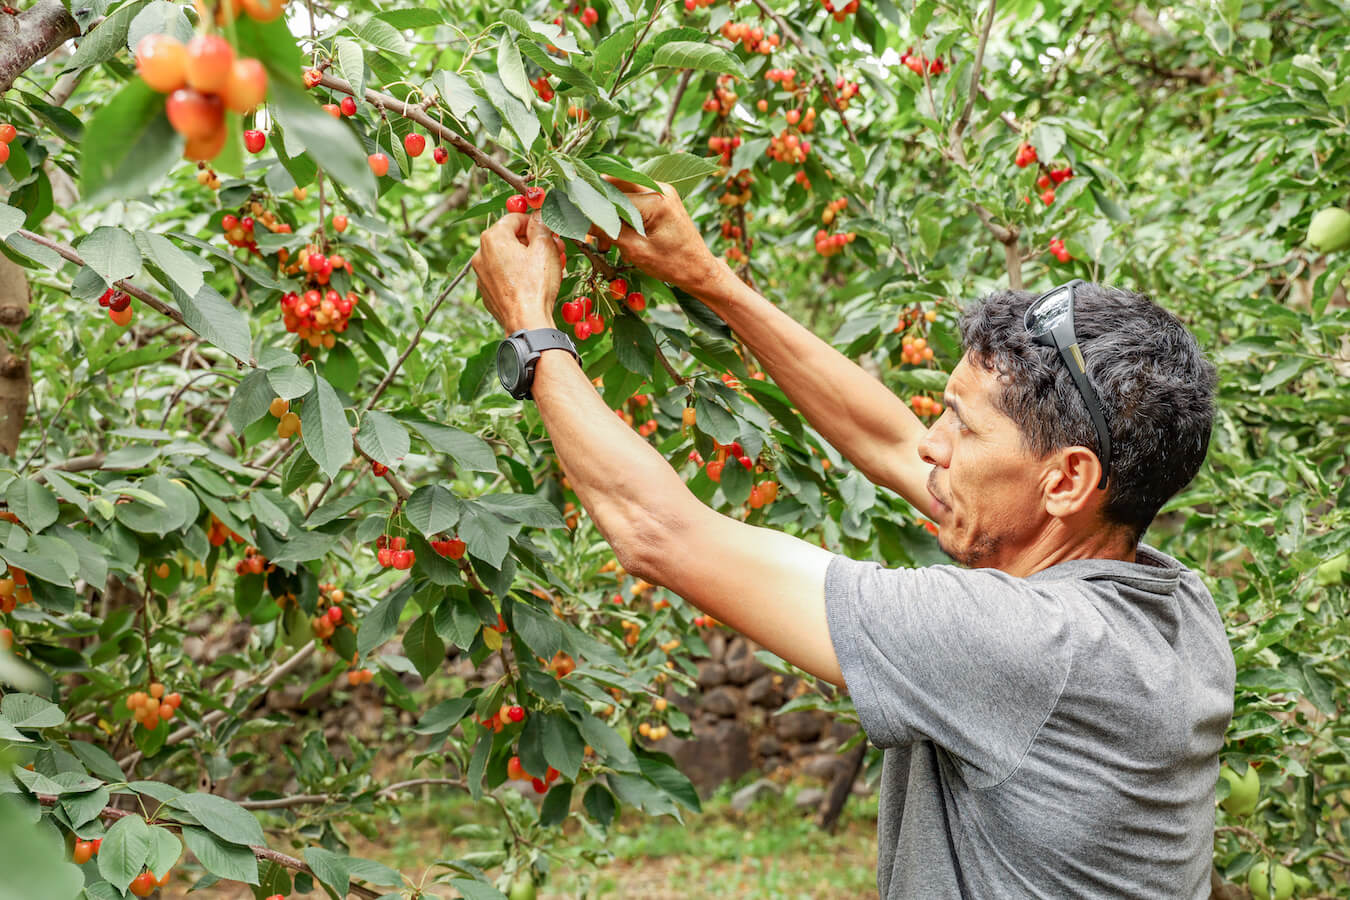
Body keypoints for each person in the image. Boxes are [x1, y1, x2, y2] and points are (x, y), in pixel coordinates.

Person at [471, 179, 1235, 900]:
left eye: (962, 426)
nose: (933, 445)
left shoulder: (1027, 645)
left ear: (1066, 481)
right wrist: (705, 276)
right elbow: (893, 444)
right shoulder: (1174, 607)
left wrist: (532, 332)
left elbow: (660, 533)